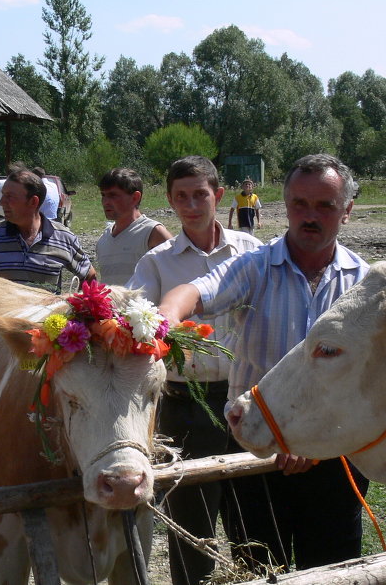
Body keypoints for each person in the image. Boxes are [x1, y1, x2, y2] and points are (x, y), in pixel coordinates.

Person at [159, 153, 369, 573]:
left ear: (346, 211)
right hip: (256, 451)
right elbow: (197, 291)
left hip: (334, 456)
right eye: (299, 204)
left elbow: (371, 382)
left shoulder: (363, 282)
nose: (310, 216)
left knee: (332, 568)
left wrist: (313, 442)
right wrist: (164, 319)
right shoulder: (256, 267)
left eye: (325, 206)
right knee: (257, 567)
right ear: (285, 205)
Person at [126, 157, 262, 585]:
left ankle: (258, 577)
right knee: (192, 519)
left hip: (250, 397)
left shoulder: (252, 251)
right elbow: (137, 321)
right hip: (187, 403)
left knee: (253, 513)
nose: (191, 204)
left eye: (199, 194)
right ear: (169, 200)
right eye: (180, 196)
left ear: (218, 196)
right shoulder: (157, 263)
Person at [0, 166, 95, 292]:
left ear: (33, 202)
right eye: (3, 195)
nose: (1, 202)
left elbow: (89, 276)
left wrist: (78, 307)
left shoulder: (63, 237)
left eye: (9, 196)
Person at [93, 167, 171, 286]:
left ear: (135, 197)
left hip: (144, 305)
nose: (105, 202)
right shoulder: (104, 238)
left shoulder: (153, 233)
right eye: (103, 195)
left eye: (113, 195)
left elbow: (179, 275)